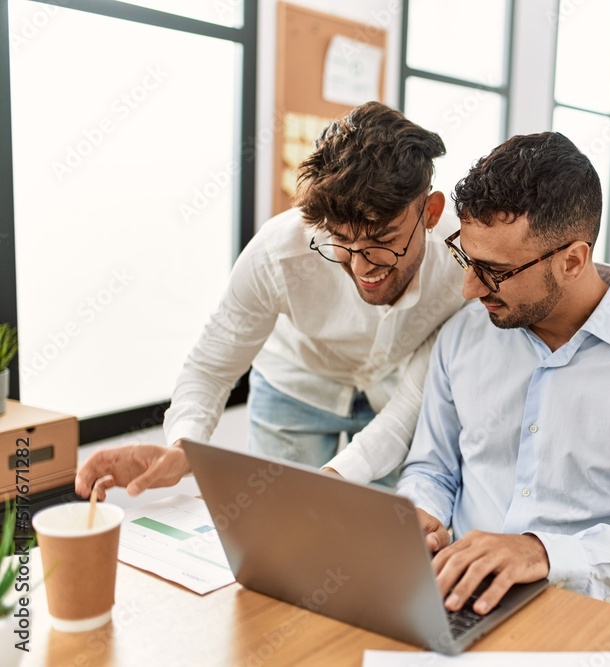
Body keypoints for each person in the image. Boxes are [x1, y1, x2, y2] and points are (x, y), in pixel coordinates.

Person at [395, 132, 610, 617]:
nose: (468, 288)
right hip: (456, 600)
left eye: (494, 270)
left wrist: (543, 553)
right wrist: (421, 512)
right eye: (465, 257)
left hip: (588, 617)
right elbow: (433, 468)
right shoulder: (464, 336)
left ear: (573, 260)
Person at [75, 102, 468, 500]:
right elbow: (211, 367)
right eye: (343, 241)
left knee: (382, 533)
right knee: (278, 524)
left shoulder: (463, 261)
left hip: (395, 391)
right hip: (294, 384)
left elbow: (408, 408)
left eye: (383, 241)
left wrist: (333, 480)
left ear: (430, 213)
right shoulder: (278, 254)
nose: (361, 264)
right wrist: (184, 447)